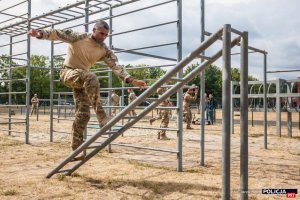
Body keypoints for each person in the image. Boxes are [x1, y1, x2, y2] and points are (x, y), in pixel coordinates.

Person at [27, 20, 146, 160]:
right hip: (68, 73)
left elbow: (116, 67)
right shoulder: (79, 37)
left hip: (83, 80)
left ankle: (76, 150)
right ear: (94, 30)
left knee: (83, 114)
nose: (103, 37)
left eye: (106, 35)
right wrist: (40, 33)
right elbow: (57, 33)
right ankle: (102, 117)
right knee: (91, 76)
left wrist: (132, 80)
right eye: (101, 33)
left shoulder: (104, 50)